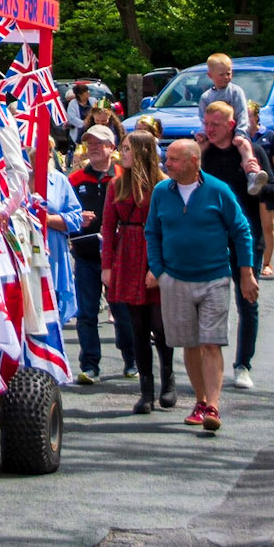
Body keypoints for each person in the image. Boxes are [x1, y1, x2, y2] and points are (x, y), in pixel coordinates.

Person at [145, 137, 257, 435]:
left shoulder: (218, 191)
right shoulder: (161, 192)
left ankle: (213, 406)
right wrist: (159, 271)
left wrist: (246, 273)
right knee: (191, 343)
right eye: (167, 159)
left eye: (173, 159)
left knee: (211, 342)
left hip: (214, 279)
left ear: (194, 162)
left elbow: (241, 230)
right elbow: (152, 233)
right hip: (175, 280)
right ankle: (200, 401)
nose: (166, 164)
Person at [101, 132, 176, 412]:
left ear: (143, 152)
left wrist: (159, 267)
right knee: (139, 327)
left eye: (128, 149)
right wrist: (106, 266)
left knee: (161, 325)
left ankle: (168, 380)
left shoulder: (164, 185)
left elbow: (170, 229)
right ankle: (146, 390)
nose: (123, 154)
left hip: (153, 252)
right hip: (128, 255)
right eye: (122, 148)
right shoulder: (116, 185)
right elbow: (108, 228)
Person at [199, 100, 264, 390]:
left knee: (246, 300)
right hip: (211, 241)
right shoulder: (203, 154)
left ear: (230, 125)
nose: (208, 130)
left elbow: (273, 196)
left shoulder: (248, 151)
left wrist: (254, 171)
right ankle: (209, 364)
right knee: (206, 304)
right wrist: (197, 154)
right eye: (206, 124)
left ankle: (243, 365)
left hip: (246, 238)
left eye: (215, 125)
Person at [67, 125, 136, 382]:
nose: (94, 148)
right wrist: (77, 220)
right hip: (85, 255)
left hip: (118, 257)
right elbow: (65, 212)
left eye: (100, 143)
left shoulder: (122, 176)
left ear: (112, 147)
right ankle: (90, 365)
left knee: (123, 312)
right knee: (86, 313)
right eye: (90, 143)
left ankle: (131, 360)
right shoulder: (75, 179)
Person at [246, 99, 274, 275]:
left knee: (267, 226)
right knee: (249, 226)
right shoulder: (239, 137)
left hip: (267, 187)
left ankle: (267, 263)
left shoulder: (269, 135)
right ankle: (250, 261)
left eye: (249, 115)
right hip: (247, 187)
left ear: (256, 117)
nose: (246, 118)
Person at [42, 160, 83, 328]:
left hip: (53, 257)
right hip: (22, 257)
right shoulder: (13, 177)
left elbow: (76, 217)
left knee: (53, 313)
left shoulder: (58, 180)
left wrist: (49, 219)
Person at [197, 54, 253, 137]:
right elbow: (203, 119)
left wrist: (240, 133)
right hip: (214, 136)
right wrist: (203, 134)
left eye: (228, 73)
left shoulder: (235, 92)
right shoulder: (206, 97)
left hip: (235, 134)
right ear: (210, 75)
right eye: (221, 75)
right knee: (201, 146)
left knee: (243, 145)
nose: (226, 77)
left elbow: (242, 114)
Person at [63, 81, 92, 148]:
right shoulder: (72, 104)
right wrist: (83, 123)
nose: (88, 93)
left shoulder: (93, 100)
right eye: (86, 92)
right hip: (78, 132)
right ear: (80, 94)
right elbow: (72, 118)